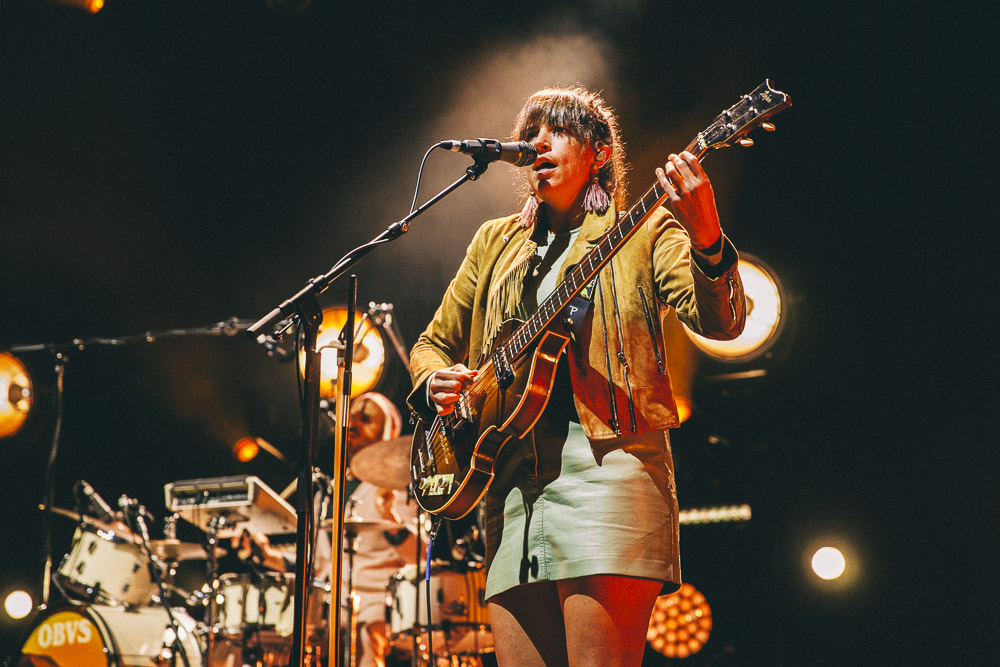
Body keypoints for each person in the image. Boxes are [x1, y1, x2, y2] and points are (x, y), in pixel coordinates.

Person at [407, 86, 746, 667]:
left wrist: (708, 239)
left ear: (598, 152)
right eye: (530, 129)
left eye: (555, 129)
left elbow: (725, 321)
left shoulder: (642, 231)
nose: (537, 140)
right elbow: (432, 343)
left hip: (608, 476)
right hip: (509, 489)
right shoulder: (495, 242)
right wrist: (434, 380)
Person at [234, 391, 418, 667]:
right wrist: (269, 555)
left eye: (365, 419)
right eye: (352, 417)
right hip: (327, 609)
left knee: (366, 640)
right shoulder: (328, 491)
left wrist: (389, 515)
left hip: (378, 607)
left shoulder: (400, 488)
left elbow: (420, 558)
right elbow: (319, 565)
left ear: (388, 433)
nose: (353, 425)